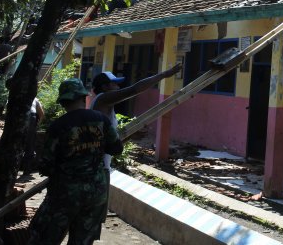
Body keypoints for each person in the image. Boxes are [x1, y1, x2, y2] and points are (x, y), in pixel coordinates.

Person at [28, 78, 123, 245]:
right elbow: (117, 148)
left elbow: (46, 164)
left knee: (43, 236)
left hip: (65, 193)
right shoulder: (101, 120)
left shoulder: (58, 126)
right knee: (83, 240)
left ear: (63, 102)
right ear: (82, 98)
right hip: (96, 191)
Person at [90, 64, 181, 171]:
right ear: (104, 87)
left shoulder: (104, 105)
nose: (118, 87)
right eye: (114, 84)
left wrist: (131, 136)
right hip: (98, 167)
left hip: (102, 164)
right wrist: (164, 74)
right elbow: (134, 90)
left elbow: (110, 142)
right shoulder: (103, 98)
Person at [21, 96, 44, 175]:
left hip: (19, 117)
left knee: (17, 142)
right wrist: (37, 125)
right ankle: (27, 169)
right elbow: (41, 114)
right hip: (31, 117)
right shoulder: (35, 98)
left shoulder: (14, 96)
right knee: (29, 144)